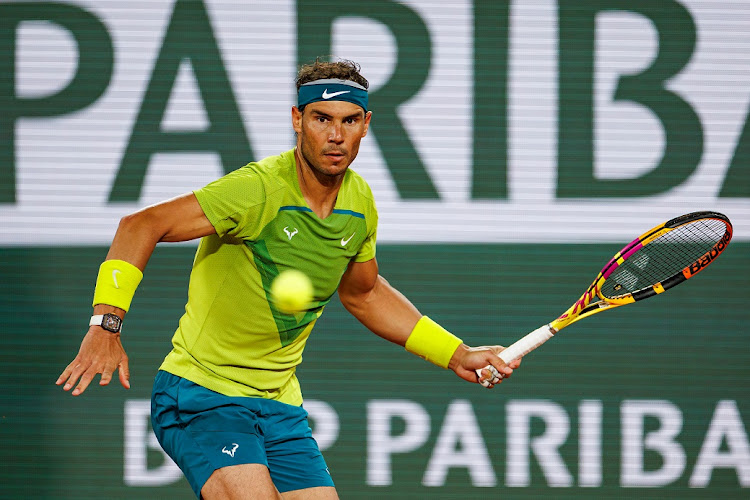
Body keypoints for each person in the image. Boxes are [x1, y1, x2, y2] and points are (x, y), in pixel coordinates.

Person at [57, 59, 520, 500]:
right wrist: (106, 324)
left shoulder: (359, 203)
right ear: (297, 119)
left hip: (279, 405)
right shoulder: (258, 189)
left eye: (349, 120)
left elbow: (366, 293)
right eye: (321, 118)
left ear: (366, 123)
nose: (335, 135)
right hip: (202, 395)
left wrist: (455, 353)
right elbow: (140, 225)